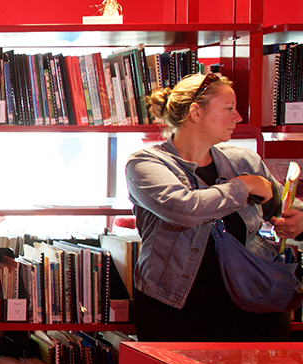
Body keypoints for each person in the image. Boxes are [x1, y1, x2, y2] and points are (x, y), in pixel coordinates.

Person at [125, 73, 303, 342]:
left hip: (253, 307)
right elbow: (185, 209)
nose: (239, 117)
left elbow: (283, 206)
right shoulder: (145, 164)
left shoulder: (245, 161)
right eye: (229, 109)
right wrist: (244, 186)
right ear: (196, 113)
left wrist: (299, 220)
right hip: (176, 310)